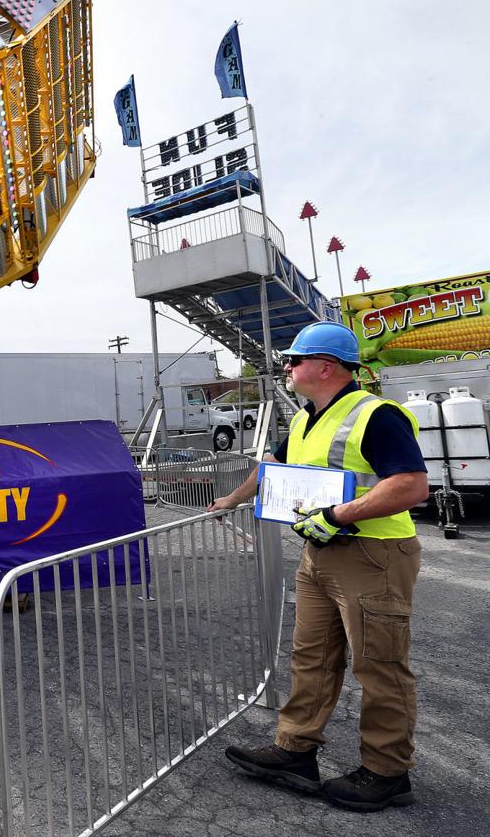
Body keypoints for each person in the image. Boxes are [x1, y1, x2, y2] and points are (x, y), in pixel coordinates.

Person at [208, 321, 429, 812]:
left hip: (374, 557)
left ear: (324, 367)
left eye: (295, 360)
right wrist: (230, 499)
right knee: (311, 656)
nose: (286, 367)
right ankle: (295, 750)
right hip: (320, 555)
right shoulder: (309, 417)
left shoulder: (376, 415)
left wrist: (337, 515)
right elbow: (273, 466)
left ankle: (387, 772)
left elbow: (412, 486)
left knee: (380, 666)